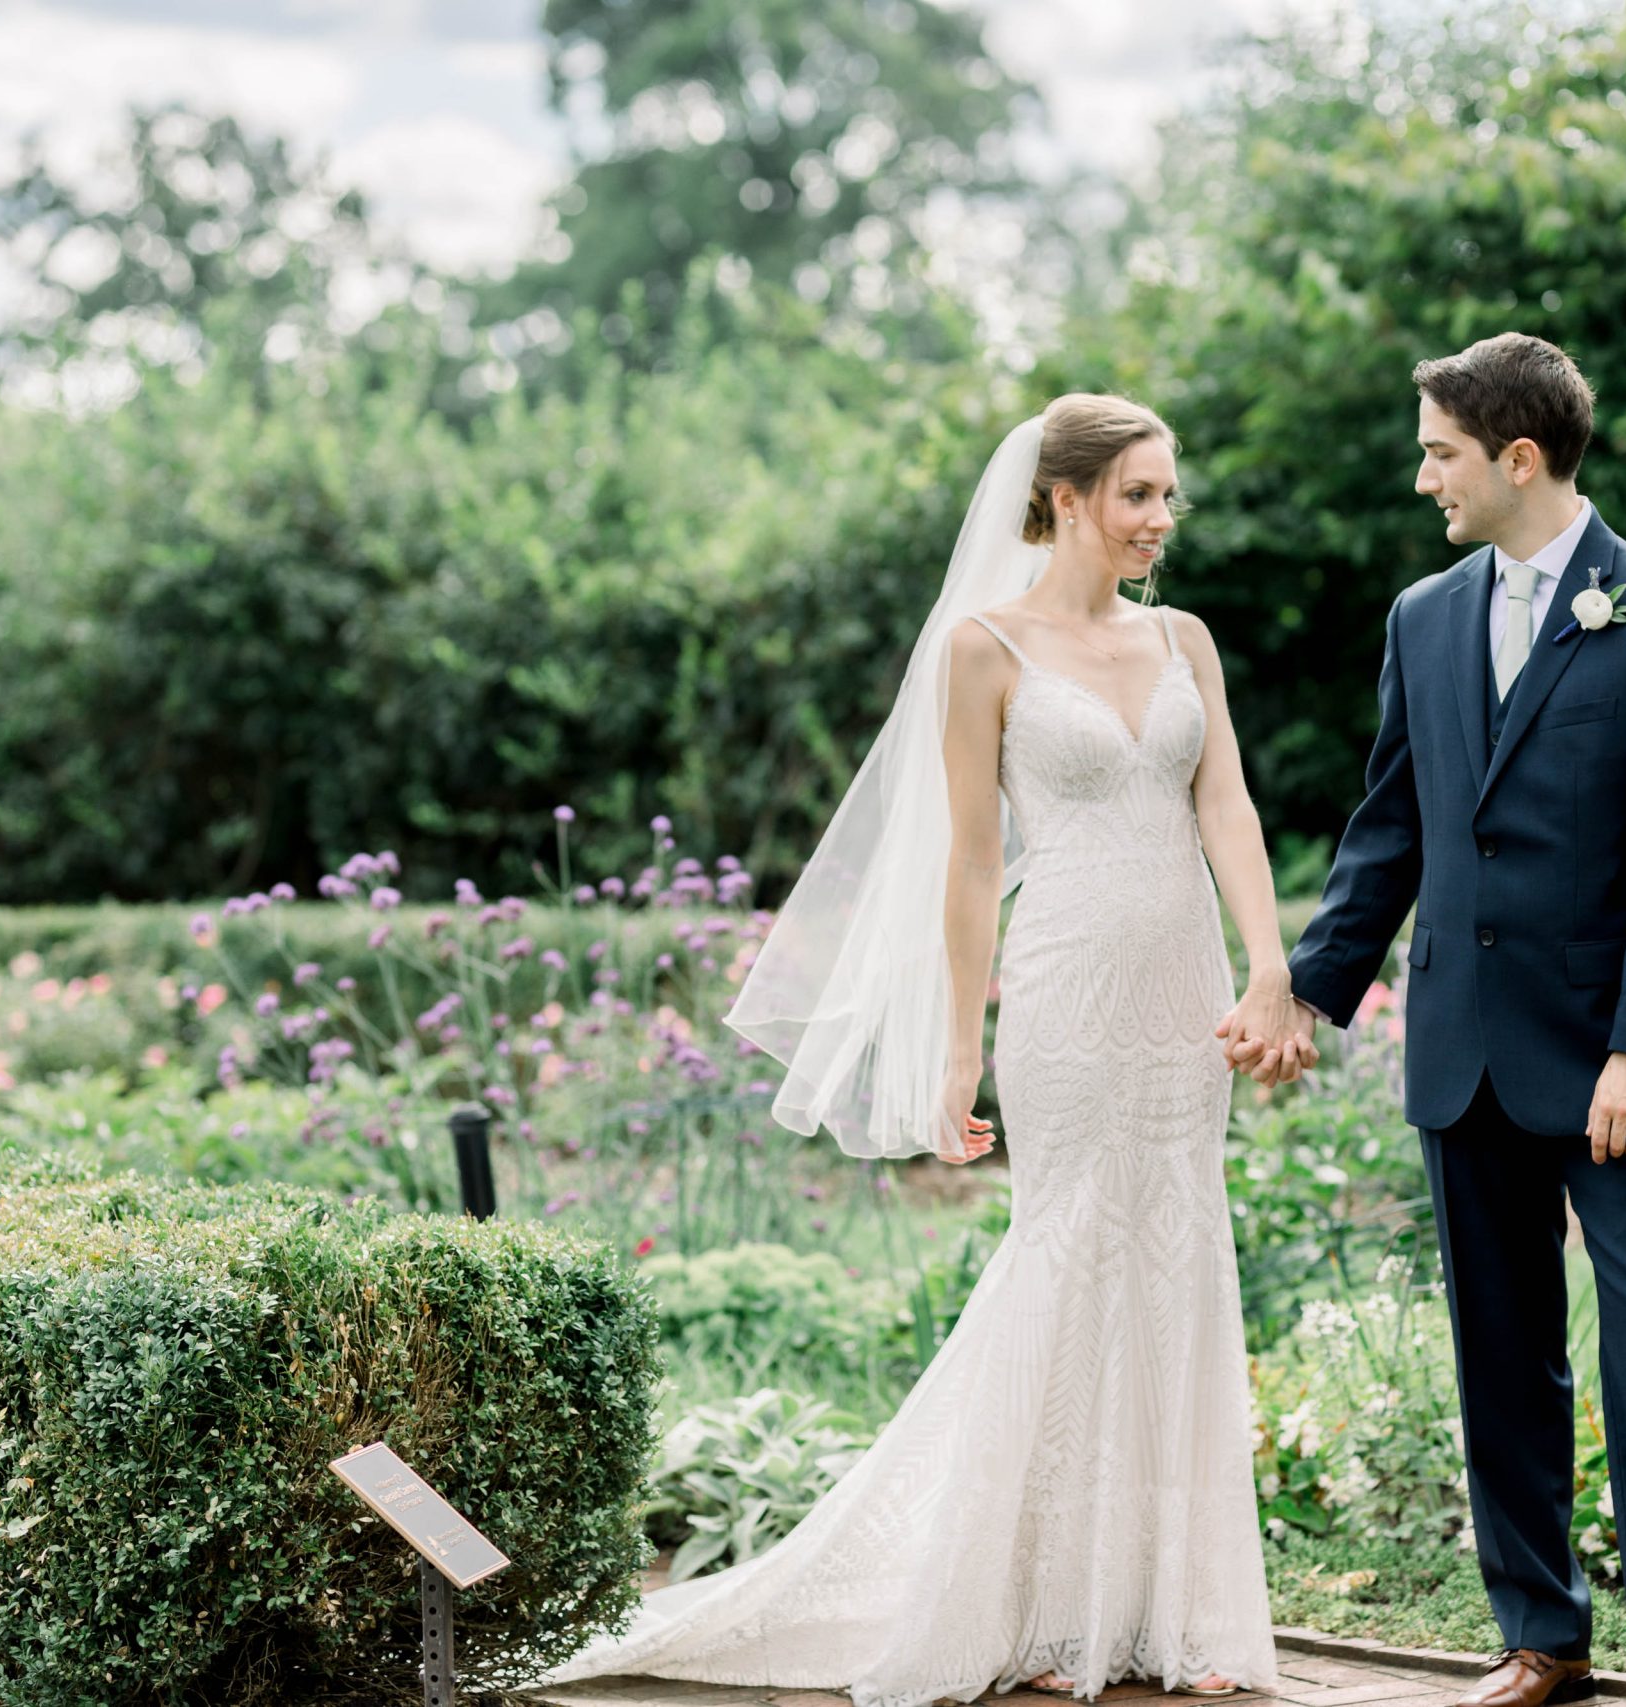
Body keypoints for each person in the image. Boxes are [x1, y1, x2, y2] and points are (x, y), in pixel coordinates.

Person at [547, 394, 1298, 1707]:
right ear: (1063, 498)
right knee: (1065, 1262)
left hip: (1183, 994)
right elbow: (968, 865)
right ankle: (1014, 1599)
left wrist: (1272, 967)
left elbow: (1222, 801)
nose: (1161, 519)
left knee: (1178, 1258)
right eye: (1138, 495)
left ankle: (1164, 1613)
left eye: (1169, 494)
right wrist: (961, 1050)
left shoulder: (1186, 638)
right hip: (1063, 994)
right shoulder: (984, 648)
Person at [1234, 334, 1626, 1707]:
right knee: (1498, 1351)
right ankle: (1540, 1634)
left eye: (1440, 453)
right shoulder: (1424, 617)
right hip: (1463, 1053)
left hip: (1615, 1062)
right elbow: (1392, 828)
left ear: (1518, 458)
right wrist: (1307, 986)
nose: (1424, 479)